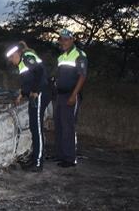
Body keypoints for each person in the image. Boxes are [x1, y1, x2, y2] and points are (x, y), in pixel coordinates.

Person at [6, 41, 51, 172]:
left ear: (16, 54)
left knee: (37, 128)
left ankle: (38, 162)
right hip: (33, 96)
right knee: (33, 127)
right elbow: (28, 79)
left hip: (40, 94)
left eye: (11, 58)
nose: (11, 61)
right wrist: (21, 94)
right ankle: (34, 158)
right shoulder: (22, 62)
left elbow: (40, 72)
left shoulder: (27, 57)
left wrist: (36, 91)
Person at [54, 29, 88, 167]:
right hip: (60, 95)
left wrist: (74, 95)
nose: (64, 41)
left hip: (71, 95)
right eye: (62, 39)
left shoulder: (79, 55)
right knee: (60, 125)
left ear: (72, 40)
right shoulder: (61, 57)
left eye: (67, 39)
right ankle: (61, 155)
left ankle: (70, 158)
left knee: (69, 126)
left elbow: (82, 76)